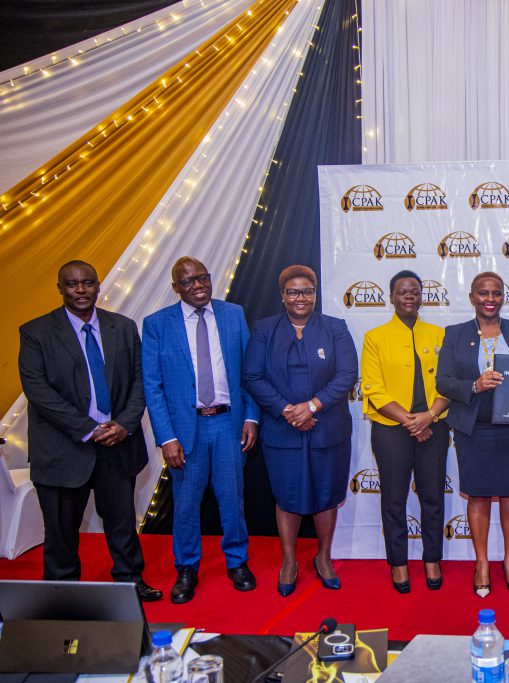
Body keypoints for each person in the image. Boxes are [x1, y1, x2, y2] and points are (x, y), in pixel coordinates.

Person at [18, 260, 161, 601]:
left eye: (87, 283)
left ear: (99, 286)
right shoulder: (36, 332)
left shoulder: (123, 328)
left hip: (117, 443)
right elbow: (37, 390)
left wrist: (123, 426)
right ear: (60, 288)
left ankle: (129, 580)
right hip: (63, 448)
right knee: (61, 530)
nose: (80, 290)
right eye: (72, 284)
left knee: (122, 522)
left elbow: (140, 382)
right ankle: (64, 590)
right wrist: (89, 429)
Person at [142, 256, 260, 604]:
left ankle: (237, 562)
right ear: (176, 287)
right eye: (189, 281)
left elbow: (250, 372)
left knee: (232, 500)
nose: (198, 285)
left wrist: (251, 417)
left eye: (203, 278)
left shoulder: (233, 314)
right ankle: (187, 568)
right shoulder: (157, 324)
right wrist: (166, 437)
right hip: (185, 430)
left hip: (228, 424)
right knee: (186, 504)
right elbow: (153, 385)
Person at [243, 265, 357, 596]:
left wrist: (313, 406)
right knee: (287, 496)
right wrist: (287, 410)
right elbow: (252, 376)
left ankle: (323, 558)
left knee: (327, 494)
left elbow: (347, 374)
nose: (300, 298)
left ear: (315, 294)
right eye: (293, 292)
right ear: (282, 296)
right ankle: (290, 562)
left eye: (307, 291)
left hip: (327, 427)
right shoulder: (265, 330)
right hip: (283, 428)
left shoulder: (335, 328)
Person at [437, 271, 509, 597]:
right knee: (479, 496)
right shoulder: (455, 334)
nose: (490, 299)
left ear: (503, 297)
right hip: (473, 429)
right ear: (472, 297)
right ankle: (481, 562)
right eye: (483, 293)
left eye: (496, 293)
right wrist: (474, 385)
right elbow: (443, 381)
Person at [361, 270, 450, 594]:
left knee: (432, 498)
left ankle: (432, 560)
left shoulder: (439, 334)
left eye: (414, 290)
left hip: (434, 427)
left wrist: (429, 417)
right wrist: (413, 422)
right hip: (391, 431)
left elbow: (449, 384)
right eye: (402, 291)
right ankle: (398, 563)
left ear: (421, 296)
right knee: (394, 501)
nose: (409, 295)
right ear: (391, 297)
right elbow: (374, 390)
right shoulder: (375, 337)